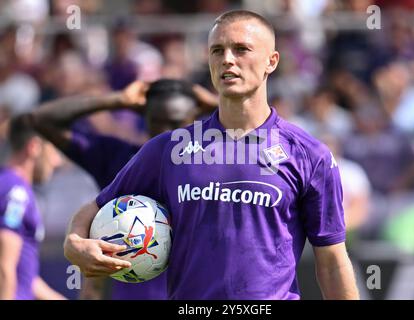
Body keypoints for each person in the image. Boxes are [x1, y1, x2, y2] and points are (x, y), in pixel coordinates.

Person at [64, 10, 359, 299]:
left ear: (272, 61)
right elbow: (95, 207)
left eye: (241, 49)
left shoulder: (309, 155)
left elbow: (332, 262)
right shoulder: (169, 149)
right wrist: (74, 243)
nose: (227, 59)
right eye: (217, 50)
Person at [28, 78, 216, 299]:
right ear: (143, 118)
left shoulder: (213, 168)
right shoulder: (121, 160)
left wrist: (217, 103)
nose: (167, 132)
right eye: (157, 121)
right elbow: (41, 120)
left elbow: (265, 141)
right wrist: (118, 100)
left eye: (176, 122)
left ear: (195, 119)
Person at [0, 115, 65, 300]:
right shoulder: (15, 192)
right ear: (34, 147)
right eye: (53, 150)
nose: (57, 161)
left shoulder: (13, 187)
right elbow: (5, 268)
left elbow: (25, 276)